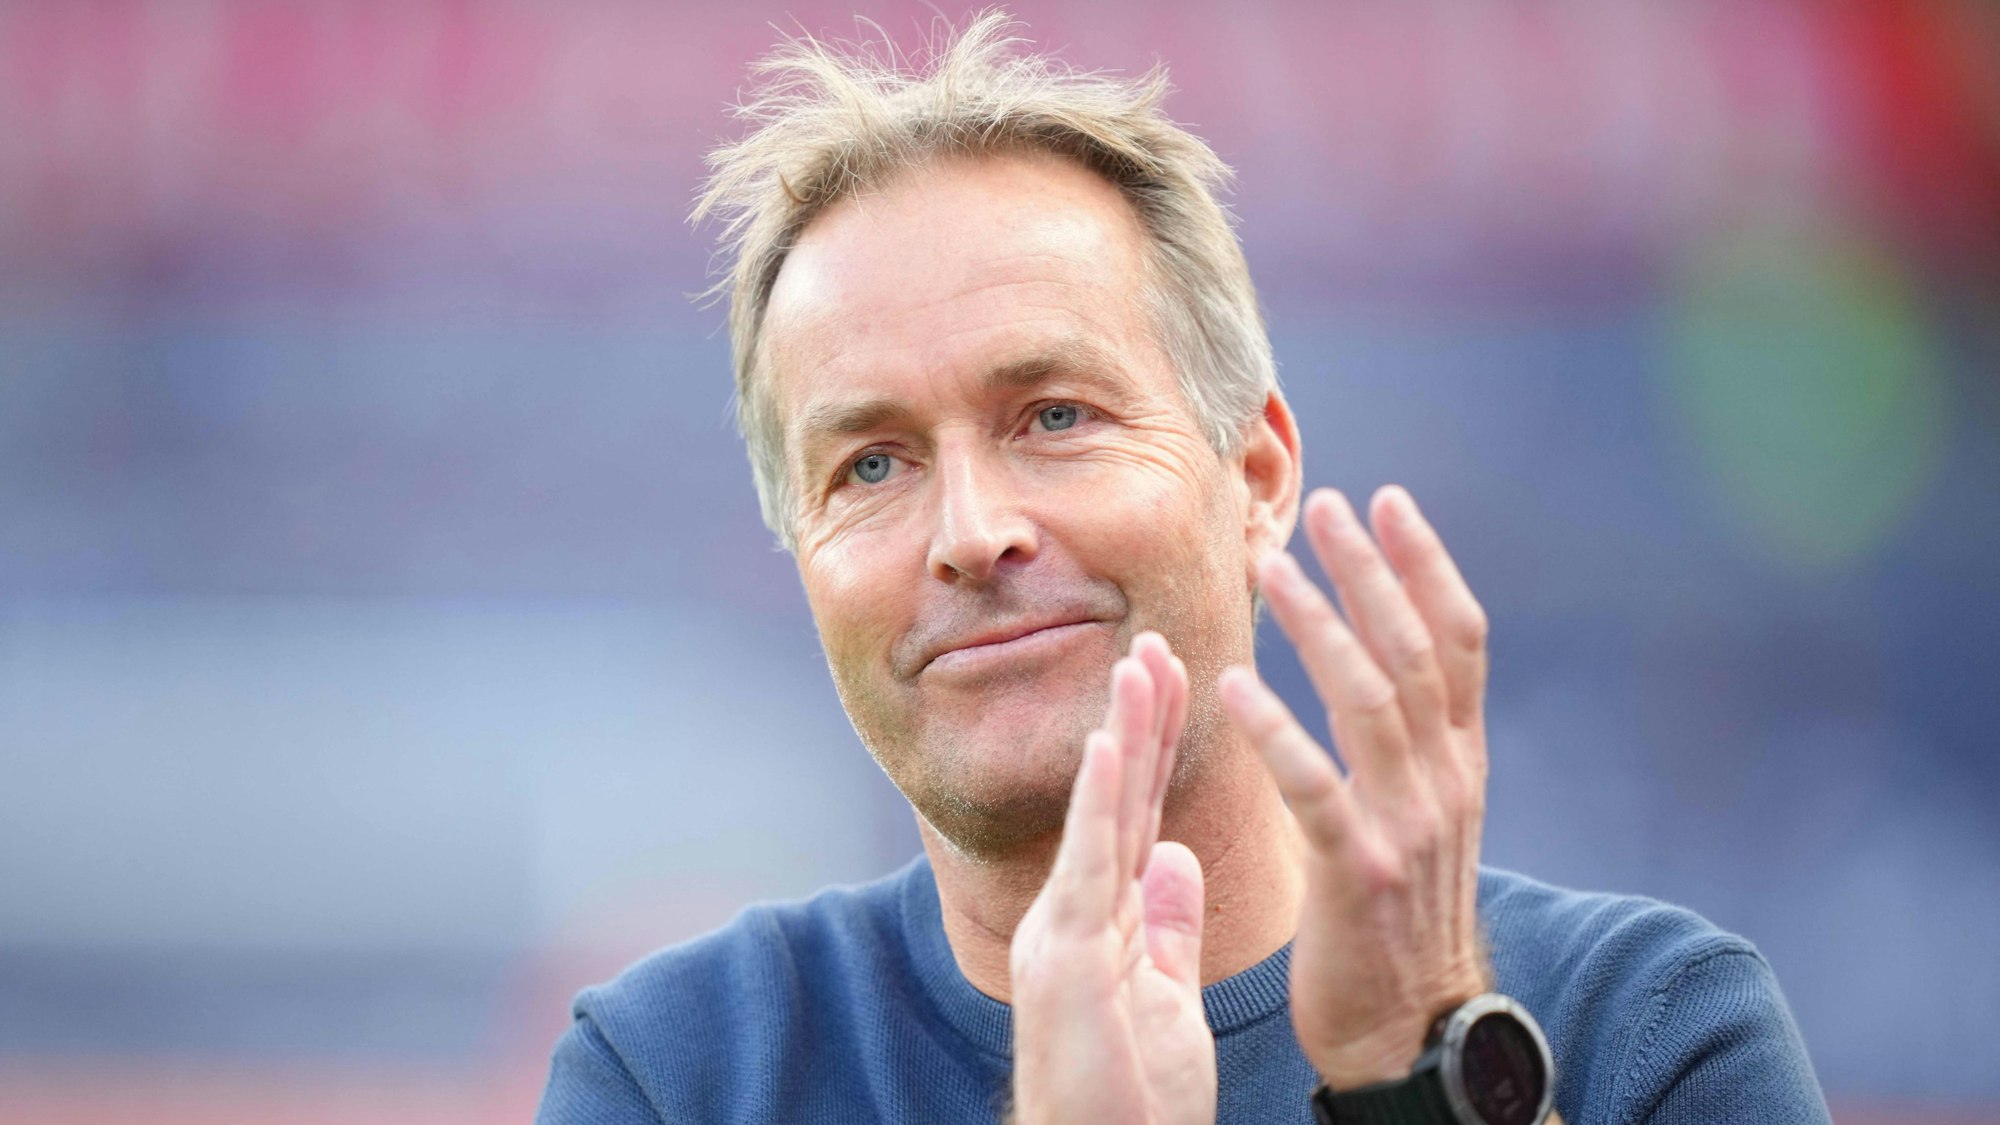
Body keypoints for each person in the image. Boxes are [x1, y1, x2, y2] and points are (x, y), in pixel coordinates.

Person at [536, 13, 1831, 1124]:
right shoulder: (677, 1071)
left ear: (1256, 477)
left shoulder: (1647, 1031)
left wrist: (1421, 1075)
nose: (968, 531)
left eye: (1054, 414)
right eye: (870, 465)